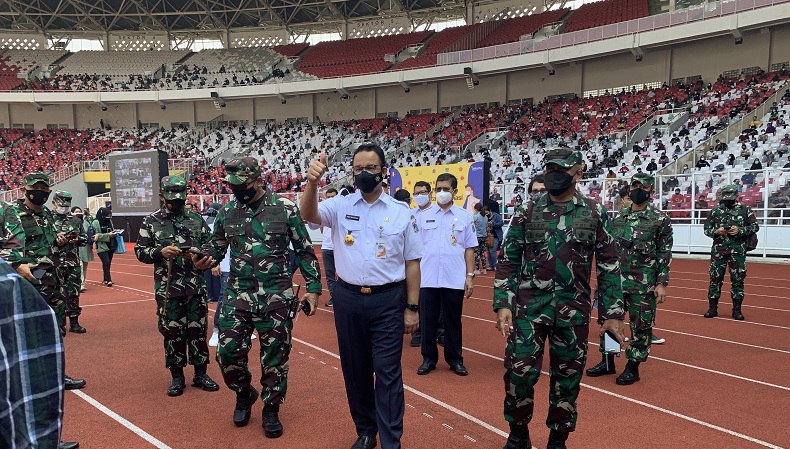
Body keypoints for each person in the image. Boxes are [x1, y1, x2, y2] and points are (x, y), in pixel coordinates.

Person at [494, 148, 624, 449]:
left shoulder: (594, 212)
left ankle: (558, 438)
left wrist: (613, 314)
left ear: (578, 172)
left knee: (567, 378)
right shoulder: (528, 211)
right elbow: (508, 259)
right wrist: (503, 302)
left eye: (561, 170)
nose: (554, 175)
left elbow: (609, 265)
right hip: (529, 308)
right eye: (549, 169)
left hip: (573, 310)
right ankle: (518, 434)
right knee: (519, 372)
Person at [301, 145, 423, 449]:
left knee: (388, 372)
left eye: (371, 168)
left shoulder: (401, 211)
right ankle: (366, 431)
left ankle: (391, 441)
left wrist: (412, 307)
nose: (364, 174)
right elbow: (308, 214)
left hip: (388, 300)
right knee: (355, 371)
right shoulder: (340, 205)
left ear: (384, 172)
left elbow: (412, 262)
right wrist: (312, 183)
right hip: (348, 299)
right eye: (358, 169)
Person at [193, 157, 321, 438]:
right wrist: (204, 258)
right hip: (238, 296)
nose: (237, 191)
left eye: (242, 185)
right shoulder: (228, 212)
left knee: (275, 357)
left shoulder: (285, 208)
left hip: (276, 298)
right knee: (226, 353)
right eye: (233, 187)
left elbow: (304, 249)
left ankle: (271, 408)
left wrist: (313, 288)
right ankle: (244, 393)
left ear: (259, 181)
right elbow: (216, 248)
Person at [135, 176, 220, 397]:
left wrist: (199, 254)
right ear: (162, 196)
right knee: (172, 333)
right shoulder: (151, 221)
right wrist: (159, 252)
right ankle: (177, 376)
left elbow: (211, 246)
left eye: (180, 197)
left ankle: (200, 374)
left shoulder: (196, 220)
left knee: (198, 331)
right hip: (168, 289)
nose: (176, 201)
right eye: (171, 197)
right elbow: (140, 251)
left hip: (195, 287)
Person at [586, 173, 672, 385]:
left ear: (651, 192)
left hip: (642, 284)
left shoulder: (660, 219)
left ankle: (633, 367)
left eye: (643, 187)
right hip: (614, 282)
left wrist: (661, 283)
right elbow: (608, 251)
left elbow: (664, 252)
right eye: (635, 186)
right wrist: (602, 279)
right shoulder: (618, 217)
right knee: (608, 321)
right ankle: (608, 362)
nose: (638, 190)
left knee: (641, 327)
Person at [11, 173, 87, 391]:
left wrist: (59, 242)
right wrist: (16, 265)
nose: (40, 192)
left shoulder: (47, 215)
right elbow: (5, 248)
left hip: (53, 281)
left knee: (56, 331)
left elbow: (50, 244)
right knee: (27, 332)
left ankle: (57, 376)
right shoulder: (11, 215)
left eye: (44, 189)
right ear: (24, 190)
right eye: (35, 188)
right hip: (27, 284)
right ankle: (25, 380)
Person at [0, 258, 80, 449]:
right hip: (19, 278)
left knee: (35, 363)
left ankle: (39, 436)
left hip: (43, 273)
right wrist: (14, 263)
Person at [414, 173, 476, 377]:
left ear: (454, 191)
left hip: (454, 277)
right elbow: (414, 248)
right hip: (427, 277)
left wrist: (469, 276)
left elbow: (469, 249)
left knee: (453, 322)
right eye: (438, 189)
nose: (441, 193)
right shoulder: (423, 216)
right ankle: (428, 359)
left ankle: (455, 359)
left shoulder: (465, 216)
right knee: (427, 321)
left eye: (446, 189)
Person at [703, 184, 758, 320]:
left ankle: (737, 310)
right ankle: (712, 308)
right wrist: (716, 232)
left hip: (737, 250)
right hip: (719, 251)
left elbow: (755, 226)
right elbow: (706, 229)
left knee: (738, 279)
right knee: (715, 279)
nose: (728, 201)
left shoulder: (745, 210)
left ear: (736, 196)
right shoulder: (716, 211)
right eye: (726, 198)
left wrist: (740, 230)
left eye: (730, 198)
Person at [411, 180, 443, 348]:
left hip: (434, 263)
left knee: (438, 299)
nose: (420, 196)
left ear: (430, 193)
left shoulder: (438, 212)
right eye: (416, 193)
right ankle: (418, 332)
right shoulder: (411, 214)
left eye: (423, 192)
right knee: (416, 298)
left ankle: (440, 331)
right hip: (415, 263)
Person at [52, 192, 88, 334]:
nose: (64, 208)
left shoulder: (75, 221)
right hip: (54, 264)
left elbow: (85, 238)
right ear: (54, 203)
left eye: (67, 206)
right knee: (56, 295)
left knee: (73, 293)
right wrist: (56, 240)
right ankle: (58, 324)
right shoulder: (47, 220)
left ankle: (74, 322)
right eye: (61, 205)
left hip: (72, 263)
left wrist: (76, 240)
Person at [92, 207, 116, 286]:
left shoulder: (109, 221)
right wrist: (108, 235)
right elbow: (95, 235)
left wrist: (115, 232)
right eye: (107, 215)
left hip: (110, 245)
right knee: (106, 261)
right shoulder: (96, 222)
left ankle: (105, 279)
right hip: (101, 246)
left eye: (110, 215)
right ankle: (109, 280)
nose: (109, 217)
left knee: (108, 263)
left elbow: (111, 230)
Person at [75, 207, 94, 293]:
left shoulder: (86, 222)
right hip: (76, 247)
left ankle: (83, 283)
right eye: (76, 211)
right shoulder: (71, 222)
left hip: (85, 247)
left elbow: (91, 225)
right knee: (80, 265)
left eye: (79, 211)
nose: (78, 213)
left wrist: (88, 214)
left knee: (85, 266)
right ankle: (80, 285)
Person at [484, 203, 504, 271]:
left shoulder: (496, 215)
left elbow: (501, 223)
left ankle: (496, 265)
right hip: (487, 236)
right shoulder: (484, 217)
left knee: (493, 251)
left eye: (487, 212)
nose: (486, 214)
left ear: (489, 211)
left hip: (495, 236)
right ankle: (491, 265)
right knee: (488, 251)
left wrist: (493, 224)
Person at [472, 203, 488, 274]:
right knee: (482, 253)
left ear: (476, 209)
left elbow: (471, 225)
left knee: (476, 253)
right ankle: (484, 269)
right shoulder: (485, 217)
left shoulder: (475, 217)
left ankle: (477, 269)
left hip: (477, 236)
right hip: (484, 236)